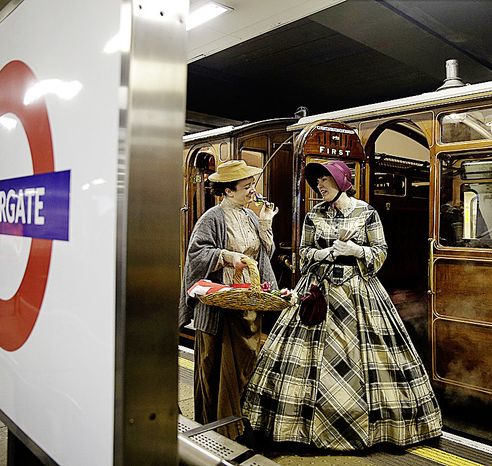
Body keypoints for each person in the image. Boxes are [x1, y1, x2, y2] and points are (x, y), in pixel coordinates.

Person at [242, 160, 442, 451]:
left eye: (325, 180)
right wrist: (323, 253)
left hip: (359, 291)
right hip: (319, 292)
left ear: (342, 181)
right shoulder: (313, 215)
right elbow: (305, 253)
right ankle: (298, 428)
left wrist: (356, 250)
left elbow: (381, 252)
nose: (319, 186)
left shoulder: (367, 213)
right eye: (318, 181)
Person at [179, 159, 279, 440]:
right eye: (246, 187)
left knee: (244, 368)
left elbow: (262, 257)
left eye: (251, 186)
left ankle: (237, 425)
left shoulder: (249, 217)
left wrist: (265, 223)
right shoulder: (212, 217)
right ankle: (217, 430)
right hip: (221, 306)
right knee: (217, 369)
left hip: (246, 304)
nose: (252, 191)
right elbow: (196, 255)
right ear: (228, 191)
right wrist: (225, 257)